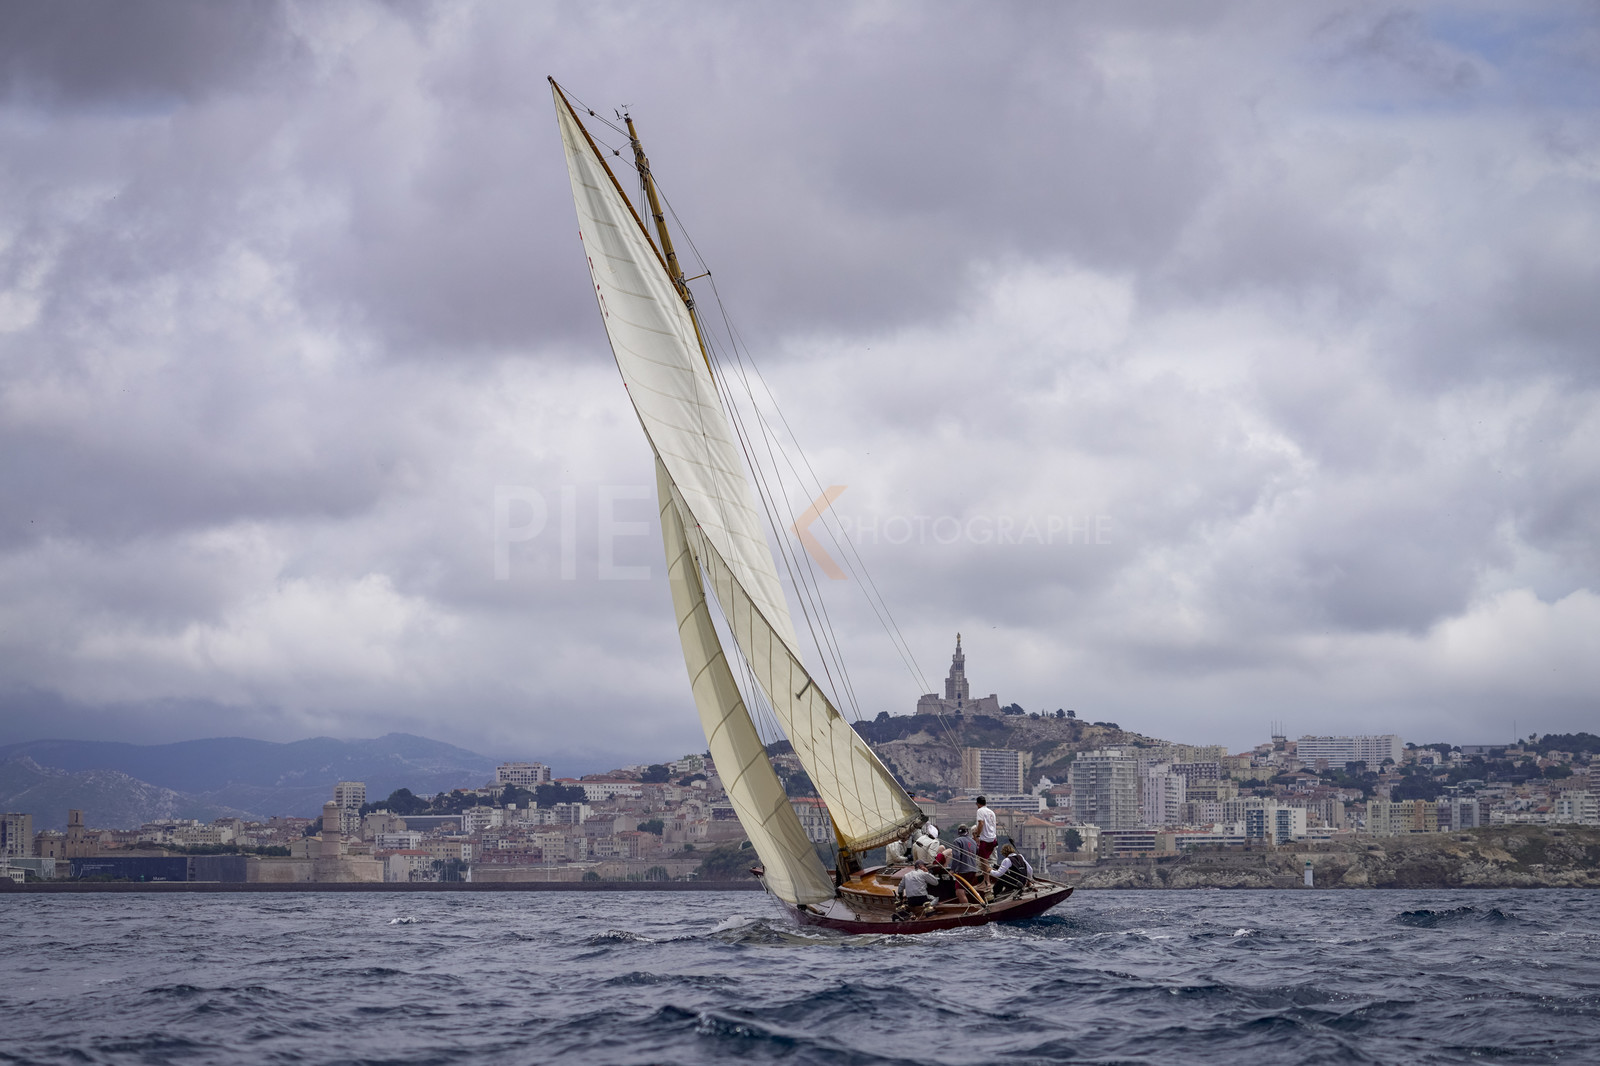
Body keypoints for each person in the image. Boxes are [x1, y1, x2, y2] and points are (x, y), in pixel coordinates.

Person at [973, 795, 998, 879]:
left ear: (978, 804)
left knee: (983, 861)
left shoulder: (980, 811)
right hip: (993, 839)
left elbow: (981, 823)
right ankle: (988, 879)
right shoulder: (991, 812)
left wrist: (977, 835)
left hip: (985, 839)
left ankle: (986, 881)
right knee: (987, 860)